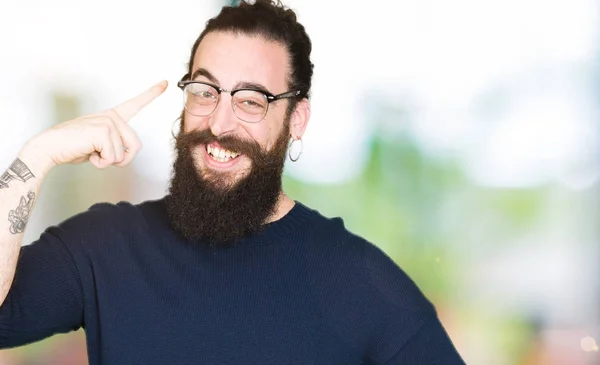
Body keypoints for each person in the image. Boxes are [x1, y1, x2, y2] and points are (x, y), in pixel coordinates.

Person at [0, 1, 466, 364]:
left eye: (251, 101)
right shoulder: (104, 247)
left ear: (296, 119)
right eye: (205, 91)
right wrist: (35, 157)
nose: (219, 123)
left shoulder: (358, 279)